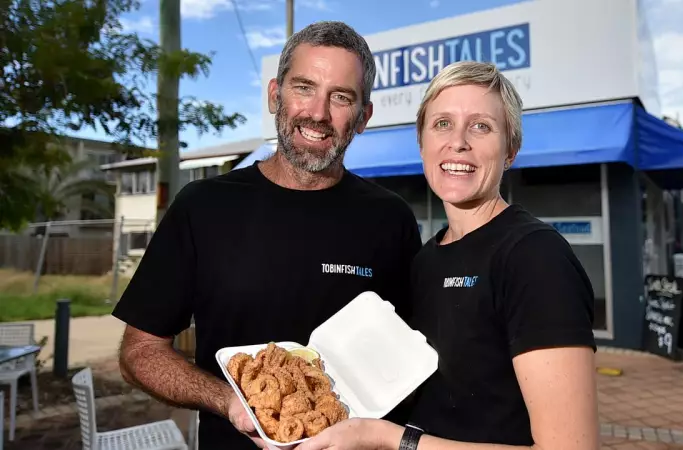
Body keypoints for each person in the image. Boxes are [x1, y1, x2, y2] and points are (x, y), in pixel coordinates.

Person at [111, 21, 422, 450]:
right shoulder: (203, 207)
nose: (317, 113)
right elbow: (139, 351)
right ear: (275, 95)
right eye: (304, 88)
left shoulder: (392, 219)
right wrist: (230, 400)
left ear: (363, 117)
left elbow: (407, 360)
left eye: (341, 97)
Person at [295, 61, 600, 450]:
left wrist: (391, 439)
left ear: (510, 151)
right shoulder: (426, 260)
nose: (458, 142)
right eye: (442, 124)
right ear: (422, 143)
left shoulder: (534, 257)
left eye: (481, 126)